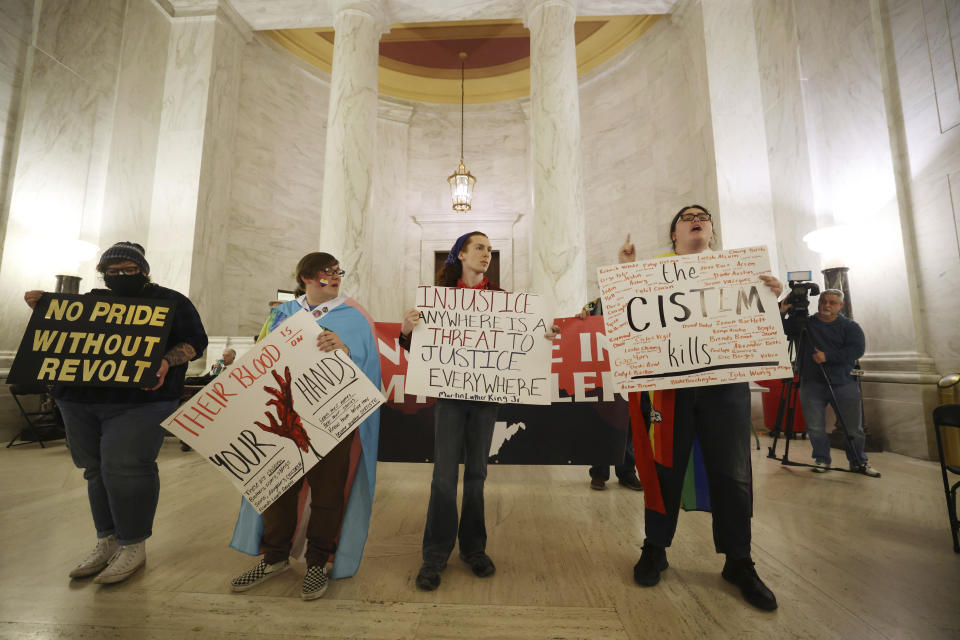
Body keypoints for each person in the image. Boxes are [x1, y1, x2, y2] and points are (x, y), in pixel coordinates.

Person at [622, 206, 782, 611]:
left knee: (733, 472)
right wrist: (625, 275)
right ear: (674, 233)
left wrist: (769, 296)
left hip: (724, 386)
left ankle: (739, 560)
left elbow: (755, 326)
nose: (697, 218)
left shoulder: (738, 272)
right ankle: (655, 547)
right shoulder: (653, 271)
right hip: (670, 390)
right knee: (664, 470)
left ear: (709, 230)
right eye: (687, 216)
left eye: (704, 216)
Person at [23, 241, 208, 584]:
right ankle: (107, 540)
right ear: (103, 275)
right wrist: (44, 306)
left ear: (143, 270)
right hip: (78, 399)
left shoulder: (170, 300)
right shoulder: (89, 303)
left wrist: (167, 360)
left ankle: (133, 543)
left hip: (140, 401)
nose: (120, 276)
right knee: (94, 470)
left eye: (129, 270)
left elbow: (195, 341)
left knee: (126, 468)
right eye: (113, 271)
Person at [399, 231, 556, 591]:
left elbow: (527, 342)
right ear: (461, 255)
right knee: (442, 477)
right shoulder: (439, 300)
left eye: (489, 249)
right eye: (479, 248)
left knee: (477, 475)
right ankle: (434, 556)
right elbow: (417, 353)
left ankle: (473, 549)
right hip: (450, 398)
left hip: (487, 398)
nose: (487, 254)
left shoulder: (502, 301)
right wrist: (408, 330)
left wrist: (546, 334)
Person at [228, 252, 381, 601]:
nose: (336, 277)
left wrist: (344, 349)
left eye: (338, 271)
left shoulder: (354, 317)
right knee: (276, 486)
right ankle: (275, 556)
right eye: (327, 272)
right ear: (307, 278)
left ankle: (317, 562)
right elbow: (259, 357)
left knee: (328, 492)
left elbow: (371, 368)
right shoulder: (281, 314)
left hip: (332, 419)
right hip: (282, 415)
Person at [782, 289, 879, 477]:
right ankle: (821, 459)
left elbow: (856, 350)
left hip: (843, 383)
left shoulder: (850, 327)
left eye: (832, 302)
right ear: (818, 303)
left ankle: (859, 462)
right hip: (811, 383)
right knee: (815, 427)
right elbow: (781, 329)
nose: (827, 305)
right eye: (823, 301)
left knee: (854, 428)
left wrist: (828, 356)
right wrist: (782, 311)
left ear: (840, 305)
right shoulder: (805, 324)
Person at [577, 297, 643, 491]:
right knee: (601, 422)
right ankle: (598, 472)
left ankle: (627, 472)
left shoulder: (639, 302)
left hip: (629, 371)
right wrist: (580, 319)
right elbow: (580, 325)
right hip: (601, 372)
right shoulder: (594, 304)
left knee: (628, 423)